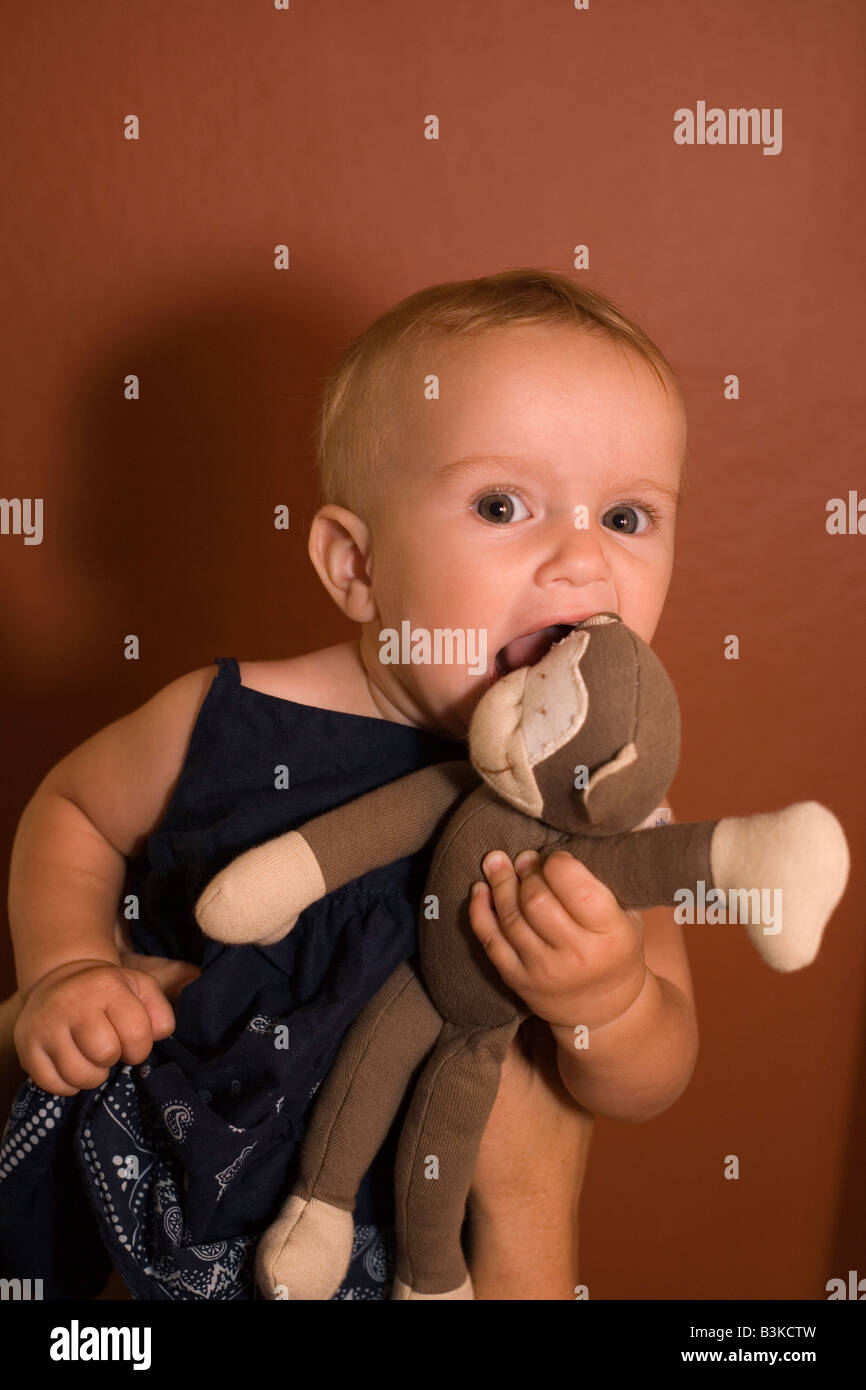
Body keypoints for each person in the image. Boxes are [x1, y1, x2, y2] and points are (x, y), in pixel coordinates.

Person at [0, 268, 698, 1300]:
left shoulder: (602, 798)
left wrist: (610, 999)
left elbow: (651, 1075)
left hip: (409, 1254)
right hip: (183, 1195)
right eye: (502, 504)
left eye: (628, 517)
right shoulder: (224, 719)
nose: (581, 558)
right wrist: (64, 968)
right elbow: (72, 811)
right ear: (355, 566)